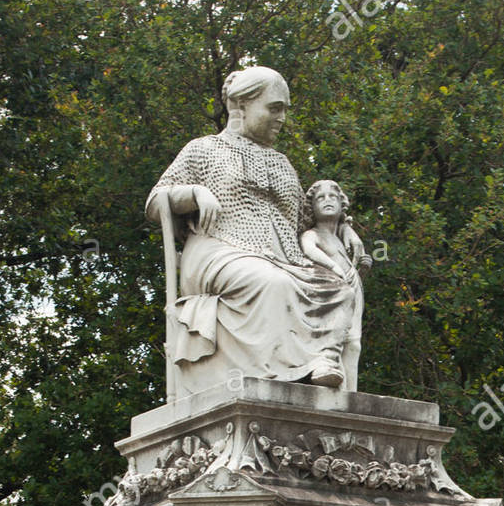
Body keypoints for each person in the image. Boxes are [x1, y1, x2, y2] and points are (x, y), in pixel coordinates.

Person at [146, 67, 365, 398]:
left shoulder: (282, 162)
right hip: (220, 250)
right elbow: (154, 202)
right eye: (275, 108)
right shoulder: (204, 149)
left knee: (339, 288)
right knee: (272, 283)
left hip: (284, 257)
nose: (282, 118)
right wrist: (192, 194)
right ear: (241, 105)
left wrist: (343, 227)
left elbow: (307, 218)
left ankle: (323, 361)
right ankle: (284, 374)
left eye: (285, 110)